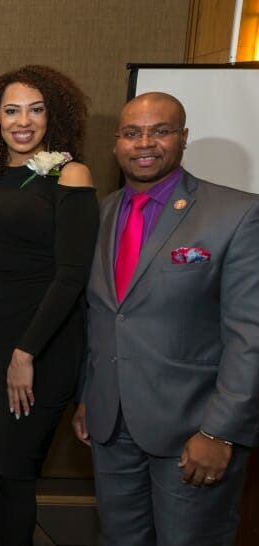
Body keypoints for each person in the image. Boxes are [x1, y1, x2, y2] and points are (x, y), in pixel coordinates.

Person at [72, 92, 259, 545]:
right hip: (110, 426)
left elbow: (249, 337)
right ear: (117, 143)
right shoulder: (103, 212)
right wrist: (88, 396)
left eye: (161, 131)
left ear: (183, 138)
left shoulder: (236, 214)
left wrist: (221, 432)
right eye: (132, 133)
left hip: (193, 432)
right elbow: (101, 315)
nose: (145, 144)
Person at [0, 65, 98, 545]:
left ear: (52, 116)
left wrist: (25, 353)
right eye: (12, 110)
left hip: (40, 345)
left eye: (36, 110)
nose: (24, 121)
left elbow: (72, 275)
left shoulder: (71, 174)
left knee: (16, 471)